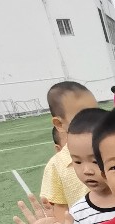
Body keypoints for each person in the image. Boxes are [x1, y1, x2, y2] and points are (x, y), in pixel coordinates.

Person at [40, 81, 99, 215]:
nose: (94, 120)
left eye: (96, 111)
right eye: (83, 116)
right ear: (59, 124)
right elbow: (60, 208)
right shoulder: (56, 165)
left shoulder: (112, 150)